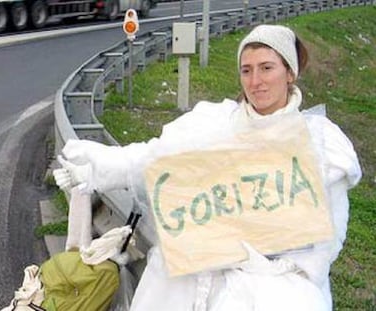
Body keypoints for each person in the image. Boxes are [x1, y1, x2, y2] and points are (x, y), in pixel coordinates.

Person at [53, 24, 361, 310]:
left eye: (267, 68)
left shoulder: (319, 142)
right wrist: (95, 167)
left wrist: (268, 265)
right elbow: (152, 159)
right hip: (191, 275)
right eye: (246, 70)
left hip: (278, 285)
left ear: (289, 72)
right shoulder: (212, 124)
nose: (255, 81)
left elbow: (328, 237)